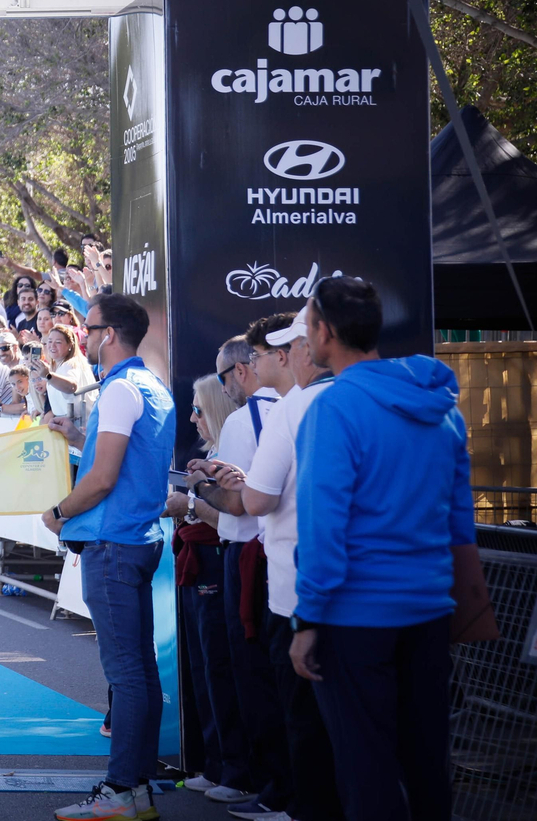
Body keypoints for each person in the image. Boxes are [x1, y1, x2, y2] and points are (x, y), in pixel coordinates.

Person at [288, 277, 475, 821]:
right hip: (430, 610)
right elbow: (459, 519)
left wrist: (308, 618)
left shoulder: (334, 407)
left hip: (356, 616)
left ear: (324, 332)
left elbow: (323, 523)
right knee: (426, 767)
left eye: (306, 324)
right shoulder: (442, 407)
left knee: (366, 769)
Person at [40, 293, 174, 821]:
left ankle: (123, 789)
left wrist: (57, 511)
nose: (84, 338)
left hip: (114, 543)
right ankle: (134, 788)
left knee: (127, 674)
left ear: (109, 334)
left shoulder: (120, 389)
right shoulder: (149, 386)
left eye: (88, 329)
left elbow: (101, 480)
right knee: (139, 670)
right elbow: (121, 461)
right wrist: (75, 435)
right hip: (136, 540)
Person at [209, 314, 342, 821]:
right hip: (399, 599)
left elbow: (258, 501)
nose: (252, 364)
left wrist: (209, 490)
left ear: (297, 351)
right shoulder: (410, 396)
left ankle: (295, 804)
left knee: (305, 716)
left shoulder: (295, 409)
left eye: (259, 355)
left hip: (304, 590)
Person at [197, 322, 294, 817]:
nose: (222, 388)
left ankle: (273, 788)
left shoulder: (248, 419)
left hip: (253, 558)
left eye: (220, 379)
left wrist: (199, 489)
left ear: (241, 369)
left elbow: (241, 503)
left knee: (254, 674)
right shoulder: (296, 408)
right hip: (280, 558)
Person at [168, 375, 254, 803]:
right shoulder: (213, 454)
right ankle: (218, 762)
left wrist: (189, 504)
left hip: (219, 562)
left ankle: (236, 769)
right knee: (204, 669)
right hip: (198, 562)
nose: (192, 419)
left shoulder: (232, 452)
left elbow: (235, 519)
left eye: (199, 410)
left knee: (220, 668)